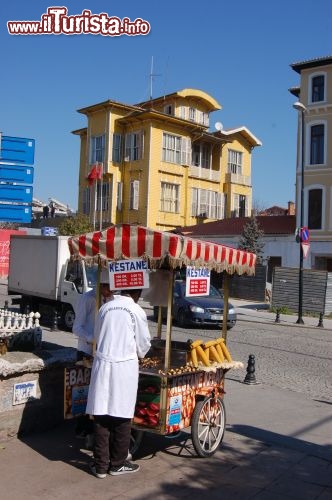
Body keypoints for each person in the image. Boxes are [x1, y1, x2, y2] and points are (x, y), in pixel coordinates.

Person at [86, 289, 151, 478]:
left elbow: (97, 337)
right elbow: (143, 343)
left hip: (103, 364)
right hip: (124, 367)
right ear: (136, 293)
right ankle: (117, 463)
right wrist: (141, 353)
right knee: (121, 416)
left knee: (101, 414)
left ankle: (100, 466)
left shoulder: (105, 308)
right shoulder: (136, 310)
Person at [72, 270, 114, 439]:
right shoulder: (87, 299)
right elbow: (76, 327)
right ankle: (83, 429)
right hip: (86, 351)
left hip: (103, 353)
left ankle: (94, 427)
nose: (110, 292)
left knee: (98, 392)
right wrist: (91, 339)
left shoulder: (112, 301)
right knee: (84, 391)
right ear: (101, 286)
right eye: (107, 288)